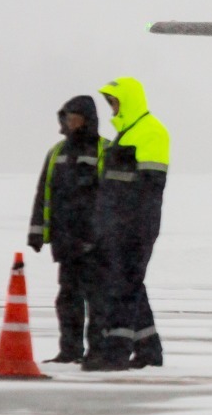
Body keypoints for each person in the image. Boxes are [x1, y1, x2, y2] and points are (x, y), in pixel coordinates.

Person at [84, 76, 171, 371]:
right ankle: (149, 349)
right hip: (116, 225)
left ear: (129, 101)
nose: (112, 107)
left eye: (115, 101)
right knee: (130, 284)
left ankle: (116, 352)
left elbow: (149, 187)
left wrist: (131, 225)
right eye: (110, 102)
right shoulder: (124, 135)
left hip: (136, 226)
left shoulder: (152, 132)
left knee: (124, 285)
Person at [26, 96, 108, 364]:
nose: (70, 123)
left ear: (87, 120)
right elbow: (44, 194)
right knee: (68, 299)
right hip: (65, 241)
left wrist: (104, 234)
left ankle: (97, 351)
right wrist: (37, 231)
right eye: (67, 117)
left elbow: (112, 198)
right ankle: (70, 351)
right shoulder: (56, 153)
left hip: (95, 242)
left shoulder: (104, 150)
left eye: (75, 117)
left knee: (97, 299)